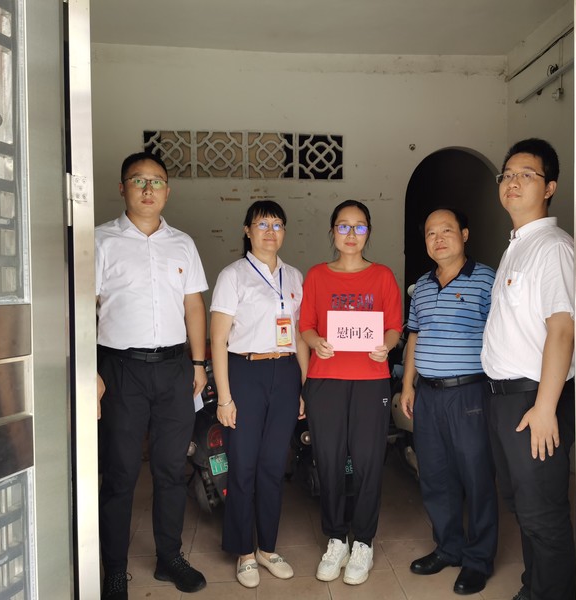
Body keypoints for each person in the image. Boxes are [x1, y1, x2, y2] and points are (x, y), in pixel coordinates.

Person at [96, 151, 208, 599]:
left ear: (167, 191)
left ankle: (169, 557)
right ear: (122, 188)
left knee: (171, 469)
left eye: (156, 181)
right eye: (138, 180)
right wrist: (90, 371)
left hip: (175, 369)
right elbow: (81, 308)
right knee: (120, 473)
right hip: (120, 370)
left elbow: (193, 305)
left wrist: (197, 364)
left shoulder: (182, 243)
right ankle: (114, 569)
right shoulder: (100, 241)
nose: (148, 189)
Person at [481, 138, 575, 600]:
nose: (512, 182)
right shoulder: (517, 246)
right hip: (507, 400)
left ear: (550, 187)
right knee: (523, 506)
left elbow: (562, 330)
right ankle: (534, 588)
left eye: (526, 175)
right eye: (507, 175)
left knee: (543, 512)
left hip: (534, 399)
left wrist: (544, 408)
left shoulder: (553, 247)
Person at [299, 199, 403, 586]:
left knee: (368, 461)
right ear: (333, 231)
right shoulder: (316, 276)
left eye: (359, 227)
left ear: (368, 233)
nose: (351, 234)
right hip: (325, 380)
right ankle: (335, 538)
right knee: (328, 459)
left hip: (371, 381)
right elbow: (306, 325)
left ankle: (363, 542)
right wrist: (317, 342)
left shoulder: (383, 276)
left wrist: (386, 346)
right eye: (343, 226)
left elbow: (394, 326)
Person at [209, 200, 309, 588]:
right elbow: (218, 340)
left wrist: (303, 387)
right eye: (262, 224)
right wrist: (225, 397)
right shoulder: (233, 275)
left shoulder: (294, 276)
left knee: (273, 464)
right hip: (245, 371)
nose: (270, 231)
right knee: (244, 464)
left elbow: (299, 335)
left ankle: (267, 547)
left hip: (285, 372)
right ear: (248, 231)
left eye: (277, 224)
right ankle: (244, 552)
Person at [400, 208, 498, 595]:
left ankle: (478, 560)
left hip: (469, 393)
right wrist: (408, 385)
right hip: (427, 394)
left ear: (465, 234)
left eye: (446, 230)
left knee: (476, 478)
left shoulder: (487, 279)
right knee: (435, 476)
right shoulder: (422, 286)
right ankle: (448, 548)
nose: (438, 238)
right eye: (430, 233)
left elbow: (501, 334)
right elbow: (414, 336)